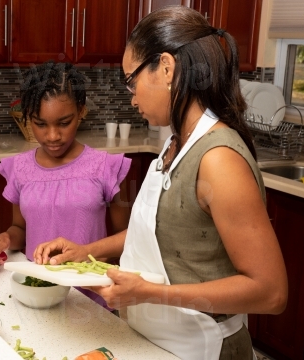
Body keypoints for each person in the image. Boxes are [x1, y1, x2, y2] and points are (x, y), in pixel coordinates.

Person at [33, 6, 288, 360]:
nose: (131, 96)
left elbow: (270, 293)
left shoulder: (219, 160)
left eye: (131, 80)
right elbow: (160, 230)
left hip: (203, 348)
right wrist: (86, 252)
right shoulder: (174, 143)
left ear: (166, 68)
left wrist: (149, 293)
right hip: (154, 342)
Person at [0, 61, 132, 305]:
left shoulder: (106, 167)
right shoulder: (20, 168)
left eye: (64, 123)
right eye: (40, 124)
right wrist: (5, 239)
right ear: (28, 118)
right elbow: (19, 229)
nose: (52, 136)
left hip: (90, 297)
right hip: (37, 292)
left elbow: (127, 238)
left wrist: (86, 253)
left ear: (81, 111)